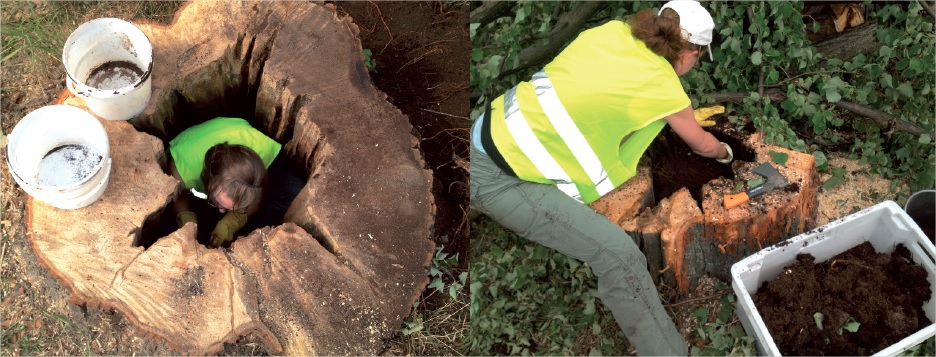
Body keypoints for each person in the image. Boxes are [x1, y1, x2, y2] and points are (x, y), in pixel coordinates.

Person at [469, 1, 730, 355]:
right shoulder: (667, 88)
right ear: (688, 52)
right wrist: (725, 153)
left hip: (486, 130)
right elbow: (701, 144)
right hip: (502, 180)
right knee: (621, 258)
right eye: (698, 57)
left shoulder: (613, 32)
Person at [168, 116, 305, 248]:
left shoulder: (260, 153)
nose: (222, 211)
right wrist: (187, 221)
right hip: (190, 146)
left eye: (227, 209)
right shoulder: (182, 168)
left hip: (245, 140)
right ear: (210, 180)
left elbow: (260, 193)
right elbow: (178, 197)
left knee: (294, 191)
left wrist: (233, 221)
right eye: (218, 203)